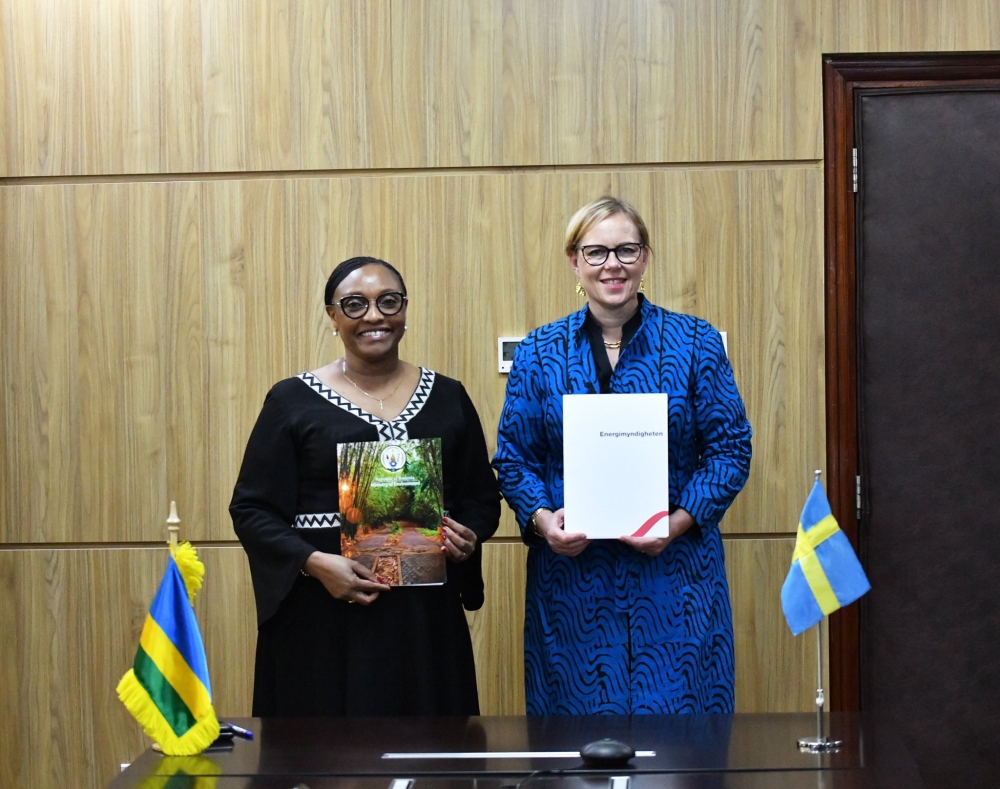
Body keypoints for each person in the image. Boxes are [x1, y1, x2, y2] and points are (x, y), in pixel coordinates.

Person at [493, 197, 752, 714]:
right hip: (572, 580)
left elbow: (730, 449)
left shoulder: (696, 342)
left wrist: (675, 524)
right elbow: (514, 458)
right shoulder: (540, 351)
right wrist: (545, 523)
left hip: (675, 576)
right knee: (575, 735)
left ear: (645, 256)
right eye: (596, 252)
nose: (612, 264)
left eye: (626, 249)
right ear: (574, 261)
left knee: (681, 736)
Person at [231, 256, 501, 716]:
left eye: (388, 302)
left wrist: (469, 537)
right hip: (321, 620)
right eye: (354, 305)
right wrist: (315, 564)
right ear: (332, 317)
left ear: (405, 310)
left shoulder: (448, 396)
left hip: (425, 624)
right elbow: (251, 510)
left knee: (432, 755)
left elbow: (481, 498)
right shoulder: (291, 400)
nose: (374, 316)